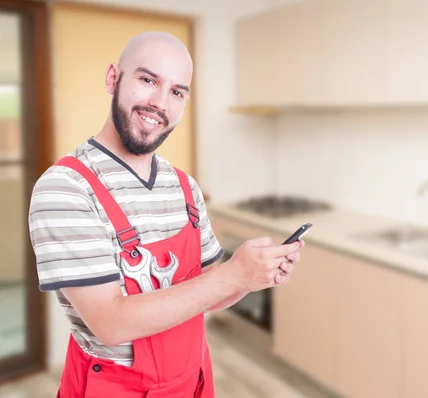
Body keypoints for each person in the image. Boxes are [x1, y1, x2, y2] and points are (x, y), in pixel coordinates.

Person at [28, 31, 304, 398]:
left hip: (192, 382)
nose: (160, 103)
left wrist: (250, 279)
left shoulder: (185, 187)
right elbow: (109, 323)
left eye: (177, 91)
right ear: (113, 78)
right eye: (147, 80)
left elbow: (208, 289)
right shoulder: (66, 189)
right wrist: (232, 275)